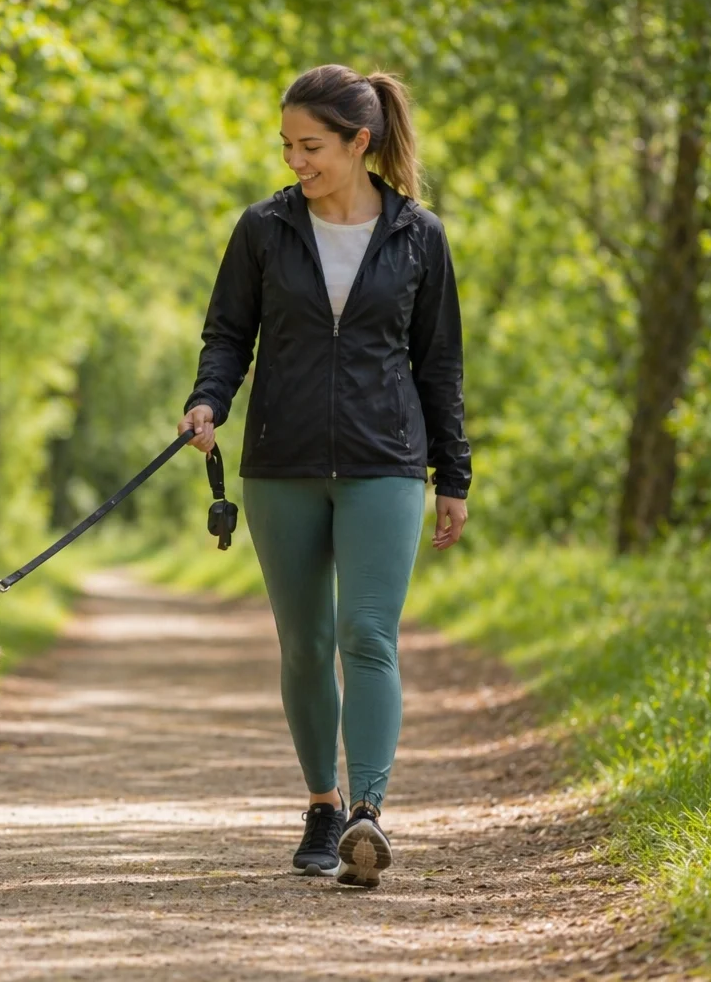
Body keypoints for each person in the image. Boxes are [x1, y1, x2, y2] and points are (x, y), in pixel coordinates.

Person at [177, 64, 471, 888]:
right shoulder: (264, 229)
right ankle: (322, 805)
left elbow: (439, 365)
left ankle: (370, 813)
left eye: (311, 146)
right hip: (282, 462)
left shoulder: (419, 235)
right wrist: (208, 403)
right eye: (287, 146)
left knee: (367, 635)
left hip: (385, 461)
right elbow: (227, 335)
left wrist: (454, 475)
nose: (295, 160)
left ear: (359, 143)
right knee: (305, 644)